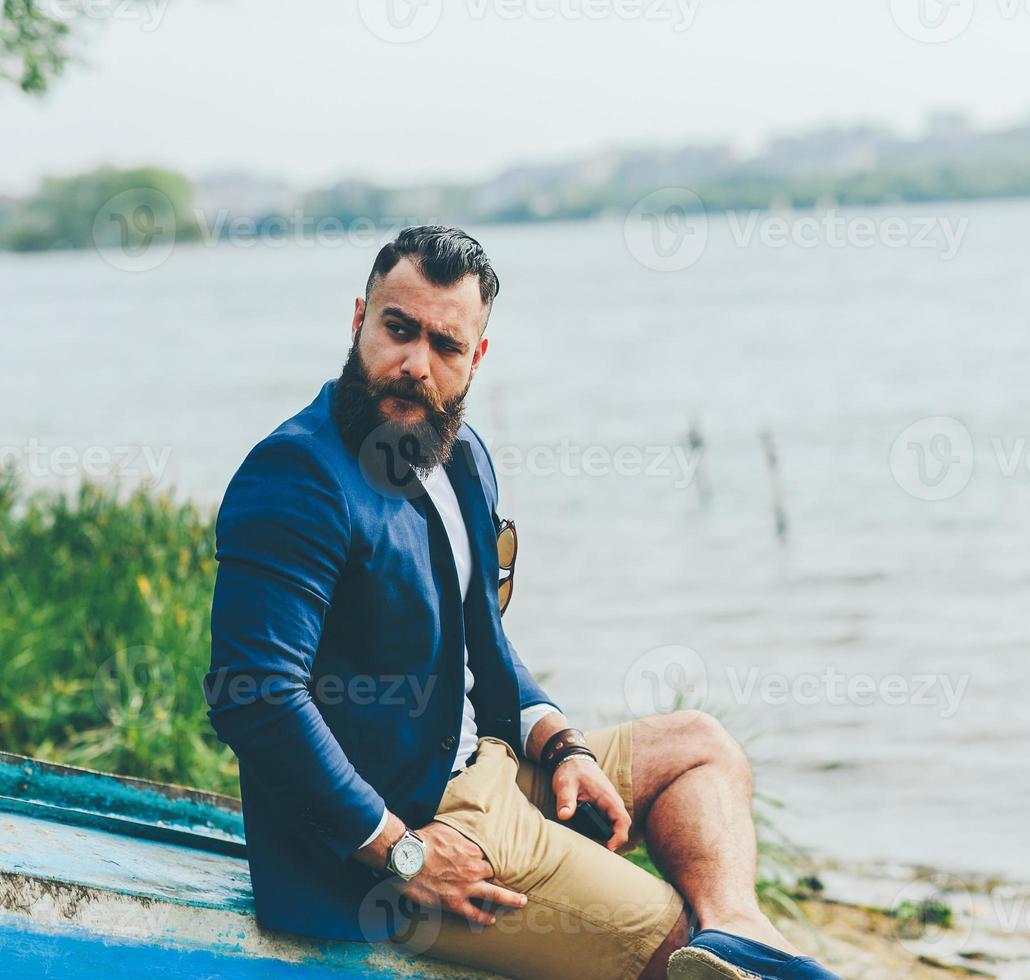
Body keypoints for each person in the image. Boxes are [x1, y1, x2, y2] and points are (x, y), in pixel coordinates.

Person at [203, 225, 840, 980]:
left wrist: (561, 744)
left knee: (701, 749)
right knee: (680, 948)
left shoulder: (461, 457)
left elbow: (480, 645)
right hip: (412, 834)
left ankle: (735, 931)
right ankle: (724, 955)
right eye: (397, 329)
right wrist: (399, 851)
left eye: (444, 345)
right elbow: (256, 696)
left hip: (491, 763)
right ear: (357, 322)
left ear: (476, 358)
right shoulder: (298, 475)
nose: (414, 365)